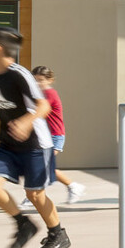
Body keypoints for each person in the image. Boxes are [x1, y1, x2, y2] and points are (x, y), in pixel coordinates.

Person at [0, 29, 68, 248]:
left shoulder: (20, 74)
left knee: (35, 195)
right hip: (8, 144)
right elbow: (11, 101)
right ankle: (23, 224)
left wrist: (26, 121)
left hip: (36, 145)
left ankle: (58, 234)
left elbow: (43, 106)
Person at [32, 66, 85, 204]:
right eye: (35, 80)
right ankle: (72, 187)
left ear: (50, 80)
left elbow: (38, 111)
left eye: (41, 80)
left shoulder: (49, 93)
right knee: (43, 166)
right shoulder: (40, 95)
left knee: (43, 166)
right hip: (46, 137)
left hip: (55, 136)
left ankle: (73, 187)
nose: (37, 83)